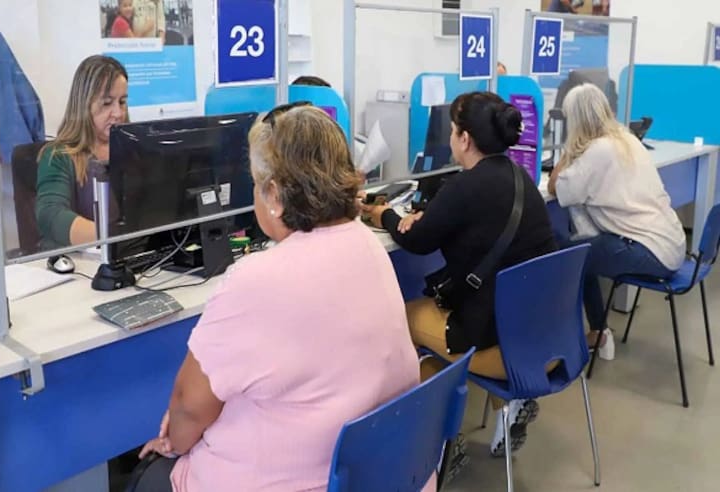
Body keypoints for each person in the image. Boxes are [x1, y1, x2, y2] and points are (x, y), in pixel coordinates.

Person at [133, 104, 429, 492]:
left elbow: (189, 406)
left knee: (148, 477)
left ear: (273, 194)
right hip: (385, 473)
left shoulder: (256, 280)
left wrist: (175, 445)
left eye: (256, 183)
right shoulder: (368, 245)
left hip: (306, 479)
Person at [361, 92, 558, 458]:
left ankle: (434, 449)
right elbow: (471, 225)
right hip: (546, 336)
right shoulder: (519, 178)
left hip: (503, 344)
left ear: (464, 139)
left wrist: (382, 214)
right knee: (443, 339)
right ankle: (497, 410)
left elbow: (416, 240)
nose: (451, 138)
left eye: (453, 131)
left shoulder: (467, 186)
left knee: (400, 319)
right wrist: (433, 217)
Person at [547, 83, 686, 360]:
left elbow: (555, 188)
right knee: (582, 250)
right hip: (672, 245)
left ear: (576, 120)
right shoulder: (626, 138)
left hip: (649, 251)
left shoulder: (597, 152)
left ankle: (588, 335)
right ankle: (598, 332)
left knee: (569, 256)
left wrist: (568, 148)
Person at [35, 55, 128, 250]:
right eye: (106, 103)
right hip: (80, 266)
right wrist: (115, 237)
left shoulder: (134, 149)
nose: (118, 113)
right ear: (84, 105)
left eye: (122, 102)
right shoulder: (58, 156)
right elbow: (51, 214)